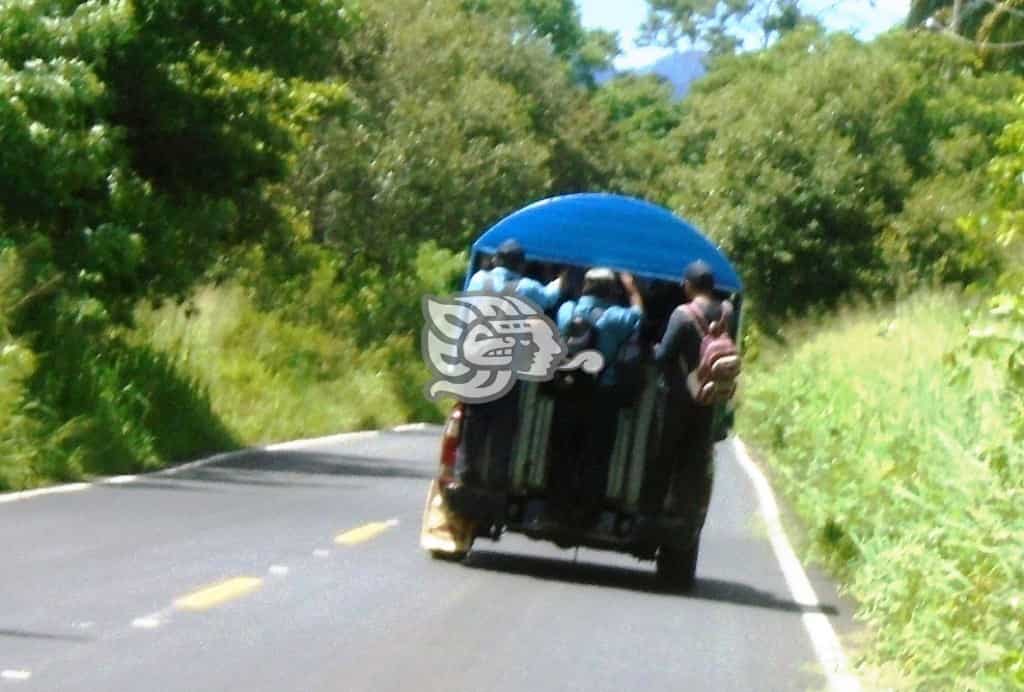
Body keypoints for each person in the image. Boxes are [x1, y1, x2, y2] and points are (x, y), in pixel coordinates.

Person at [451, 240, 565, 515]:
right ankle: (496, 478)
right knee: (503, 426)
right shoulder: (525, 287)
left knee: (474, 423)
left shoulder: (478, 279)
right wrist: (562, 274)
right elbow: (551, 296)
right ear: (519, 264)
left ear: (496, 260)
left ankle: (467, 472)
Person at [545, 268, 644, 527]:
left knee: (561, 452)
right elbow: (639, 318)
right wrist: (632, 290)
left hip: (568, 391)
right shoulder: (615, 318)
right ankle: (588, 515)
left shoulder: (568, 310)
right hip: (602, 395)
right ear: (611, 291)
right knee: (596, 457)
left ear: (585, 287)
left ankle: (555, 510)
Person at [647, 260, 733, 513]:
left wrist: (651, 350)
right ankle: (684, 513)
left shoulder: (683, 315)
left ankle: (653, 510)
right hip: (709, 396)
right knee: (694, 456)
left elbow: (663, 356)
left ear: (689, 286)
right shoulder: (727, 312)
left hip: (678, 397)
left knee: (664, 455)